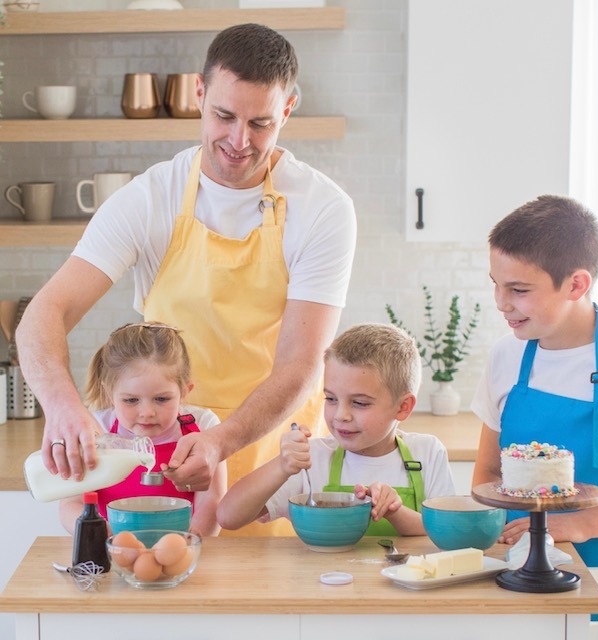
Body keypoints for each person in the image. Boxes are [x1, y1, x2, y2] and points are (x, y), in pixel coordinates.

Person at [16, 24, 356, 535]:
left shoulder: (324, 209)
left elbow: (301, 366)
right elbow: (43, 315)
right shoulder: (150, 198)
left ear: (287, 110)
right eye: (223, 116)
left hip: (276, 470)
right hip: (164, 466)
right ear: (199, 93)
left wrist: (218, 443)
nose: (239, 141)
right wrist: (64, 409)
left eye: (261, 122)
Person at [471, 195, 598, 599]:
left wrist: (583, 525)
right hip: (514, 579)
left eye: (519, 289)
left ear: (576, 284)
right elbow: (488, 470)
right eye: (496, 284)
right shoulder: (505, 355)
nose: (501, 303)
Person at [217, 323, 456, 535]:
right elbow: (228, 517)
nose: (341, 415)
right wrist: (281, 466)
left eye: (360, 403)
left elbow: (448, 531)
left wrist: (395, 511)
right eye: (331, 399)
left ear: (403, 407)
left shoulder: (427, 453)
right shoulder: (314, 458)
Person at [58, 322, 226, 537]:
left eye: (161, 399)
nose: (147, 412)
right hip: (112, 549)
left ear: (185, 391)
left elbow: (212, 502)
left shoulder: (204, 427)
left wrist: (188, 545)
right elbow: (71, 504)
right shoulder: (95, 428)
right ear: (109, 392)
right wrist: (103, 536)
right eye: (131, 400)